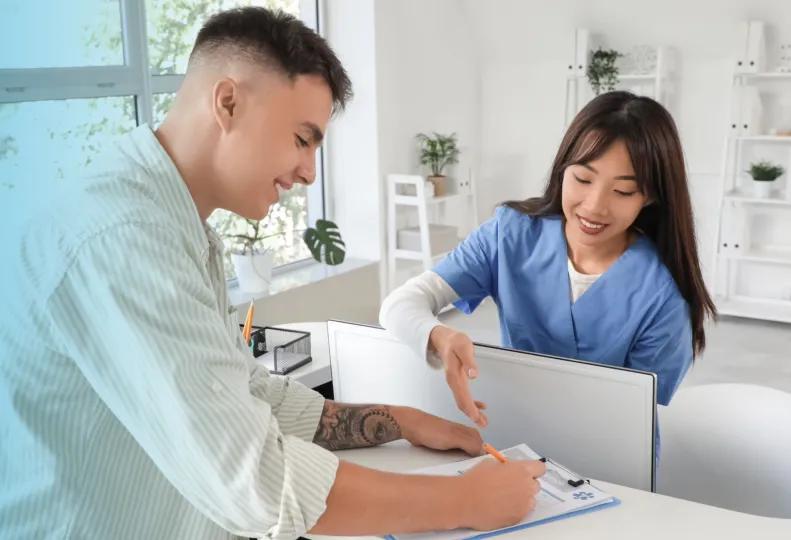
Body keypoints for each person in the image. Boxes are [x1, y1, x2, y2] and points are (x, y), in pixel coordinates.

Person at [0, 7, 545, 540]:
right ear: (228, 103)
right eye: (302, 140)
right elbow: (255, 480)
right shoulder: (124, 238)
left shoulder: (175, 227)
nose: (309, 172)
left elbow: (250, 389)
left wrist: (399, 419)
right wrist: (464, 501)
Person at [380, 91, 716, 430]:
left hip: (606, 447)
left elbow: (635, 419)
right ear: (562, 170)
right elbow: (399, 305)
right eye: (583, 179)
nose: (594, 206)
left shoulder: (663, 293)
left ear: (651, 196)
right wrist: (438, 336)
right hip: (516, 436)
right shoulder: (509, 234)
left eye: (623, 191)